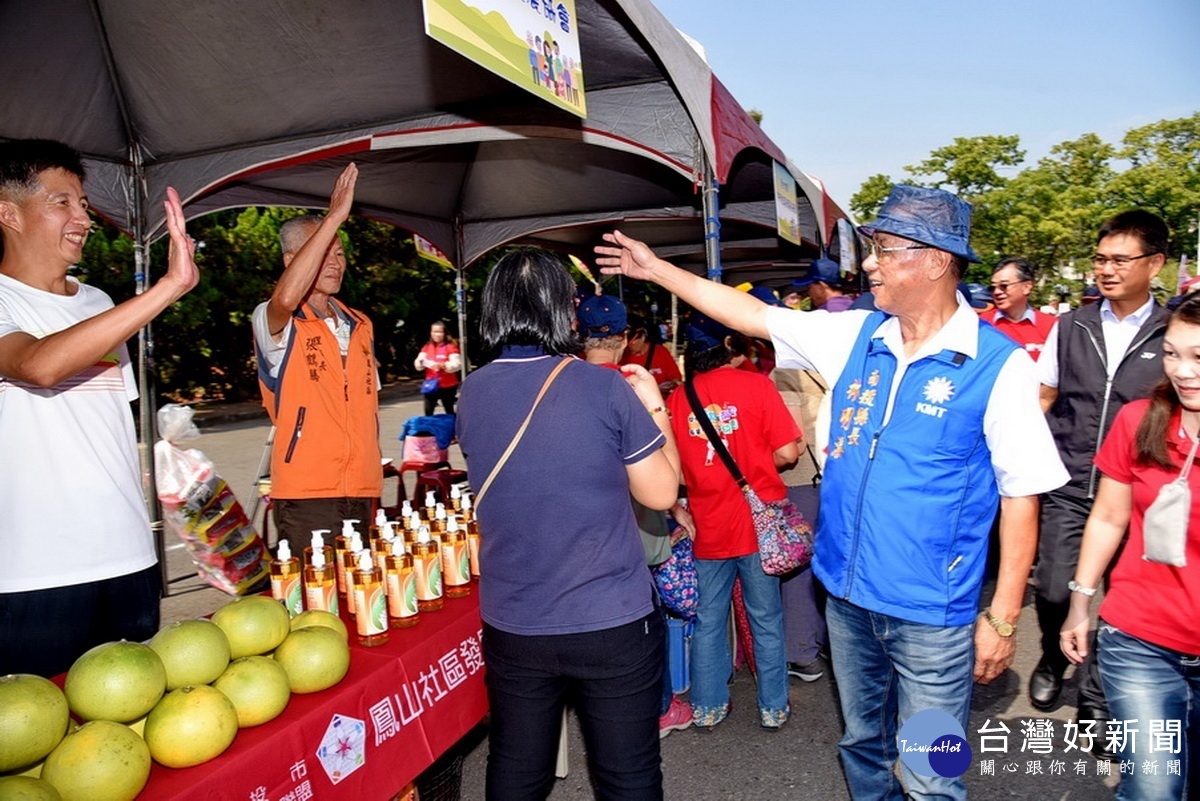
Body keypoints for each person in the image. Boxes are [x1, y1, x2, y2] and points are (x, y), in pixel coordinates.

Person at [596, 184, 1067, 800]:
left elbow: (1022, 496)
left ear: (933, 260)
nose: (869, 263)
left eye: (885, 250)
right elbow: (750, 316)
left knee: (930, 769)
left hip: (932, 613)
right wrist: (656, 269)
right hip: (845, 598)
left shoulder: (999, 367)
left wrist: (1003, 619)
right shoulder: (856, 336)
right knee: (862, 743)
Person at [456, 247, 680, 801]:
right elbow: (661, 493)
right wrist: (655, 406)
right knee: (626, 777)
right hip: (610, 618)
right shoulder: (604, 386)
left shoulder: (471, 391)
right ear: (565, 309)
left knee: (516, 769)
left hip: (515, 621)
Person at [0, 139, 199, 677]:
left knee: (133, 736)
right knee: (36, 742)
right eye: (62, 202)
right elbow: (39, 365)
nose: (82, 217)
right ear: (7, 212)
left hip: (130, 559)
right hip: (35, 576)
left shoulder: (101, 305)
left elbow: (109, 426)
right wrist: (169, 287)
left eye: (83, 204)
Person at [1031, 211, 1171, 750]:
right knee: (1053, 584)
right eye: (1101, 260)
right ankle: (1051, 653)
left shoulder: (1173, 332)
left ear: (1154, 263)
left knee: (1119, 601)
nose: (1106, 270)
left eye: (1120, 260)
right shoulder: (1073, 326)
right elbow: (1045, 396)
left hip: (1139, 493)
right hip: (1068, 480)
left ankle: (1096, 699)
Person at [1060, 293, 1200, 799]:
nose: (1182, 371)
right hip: (1139, 640)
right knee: (1154, 790)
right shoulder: (1140, 419)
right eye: (1171, 353)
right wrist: (1081, 604)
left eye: (1199, 357)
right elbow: (1109, 516)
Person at [666, 313, 800, 730]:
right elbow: (789, 453)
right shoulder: (758, 386)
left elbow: (671, 470)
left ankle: (708, 705)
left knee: (708, 618)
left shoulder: (678, 398)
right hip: (758, 526)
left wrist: (678, 506)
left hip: (706, 524)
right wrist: (756, 462)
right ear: (728, 344)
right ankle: (773, 705)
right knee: (766, 618)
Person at [576, 292, 694, 738]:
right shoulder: (627, 387)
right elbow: (666, 479)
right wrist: (656, 404)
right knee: (647, 617)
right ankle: (660, 707)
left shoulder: (560, 383)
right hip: (633, 523)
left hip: (583, 525)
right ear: (625, 338)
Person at [252, 163, 382, 545]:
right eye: (322, 252)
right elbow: (287, 298)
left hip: (361, 486)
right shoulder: (274, 319)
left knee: (361, 596)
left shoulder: (360, 324)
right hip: (307, 491)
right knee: (315, 599)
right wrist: (334, 217)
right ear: (292, 261)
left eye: (339, 253)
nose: (334, 262)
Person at [986, 257, 1055, 360]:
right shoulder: (982, 324)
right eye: (992, 287)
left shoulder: (1051, 326)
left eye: (1004, 286)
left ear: (1027, 287)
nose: (997, 292)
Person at [620, 317, 682, 395]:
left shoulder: (660, 352)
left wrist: (668, 386)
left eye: (632, 343)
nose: (628, 347)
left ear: (643, 337)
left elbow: (675, 379)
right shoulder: (622, 356)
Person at [414, 320, 461, 416]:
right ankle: (430, 430)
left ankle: (452, 429)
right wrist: (421, 363)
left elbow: (457, 364)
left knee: (449, 410)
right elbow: (418, 363)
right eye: (434, 331)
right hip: (431, 384)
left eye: (440, 332)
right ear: (431, 333)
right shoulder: (427, 347)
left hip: (448, 384)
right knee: (428, 411)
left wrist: (444, 365)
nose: (437, 334)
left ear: (445, 333)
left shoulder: (451, 347)